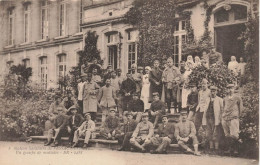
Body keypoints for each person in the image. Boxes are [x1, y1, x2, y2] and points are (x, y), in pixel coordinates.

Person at [222, 84, 243, 155]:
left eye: (231, 88)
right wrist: (223, 116)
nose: (230, 90)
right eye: (228, 88)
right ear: (227, 90)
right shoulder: (225, 98)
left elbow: (241, 108)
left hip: (234, 118)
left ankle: (235, 150)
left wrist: (238, 116)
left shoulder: (237, 98)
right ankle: (229, 150)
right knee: (227, 135)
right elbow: (223, 108)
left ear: (234, 89)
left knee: (234, 135)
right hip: (225, 118)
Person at [202, 86, 223, 154]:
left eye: (214, 91)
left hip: (215, 119)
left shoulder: (220, 99)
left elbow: (222, 110)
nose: (213, 93)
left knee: (216, 133)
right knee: (209, 133)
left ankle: (216, 148)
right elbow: (205, 109)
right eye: (211, 91)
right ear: (210, 92)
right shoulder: (207, 99)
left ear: (216, 92)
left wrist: (221, 119)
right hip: (208, 118)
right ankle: (211, 148)